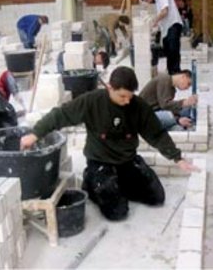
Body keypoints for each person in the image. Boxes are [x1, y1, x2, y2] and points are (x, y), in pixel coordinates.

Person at [20, 66, 198, 221]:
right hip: (100, 162)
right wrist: (35, 134)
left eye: (129, 96)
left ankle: (118, 183)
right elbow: (61, 115)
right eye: (122, 96)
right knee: (118, 212)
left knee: (156, 198)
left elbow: (157, 134)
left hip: (126, 160)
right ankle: (92, 181)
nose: (126, 101)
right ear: (110, 88)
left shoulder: (137, 106)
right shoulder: (92, 101)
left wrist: (177, 158)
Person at [141, 0, 183, 75]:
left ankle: (175, 72)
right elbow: (162, 15)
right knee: (168, 50)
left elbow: (165, 12)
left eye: (146, 0)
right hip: (167, 28)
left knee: (173, 49)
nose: (148, 2)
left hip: (173, 24)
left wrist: (154, 21)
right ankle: (171, 71)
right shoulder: (158, 2)